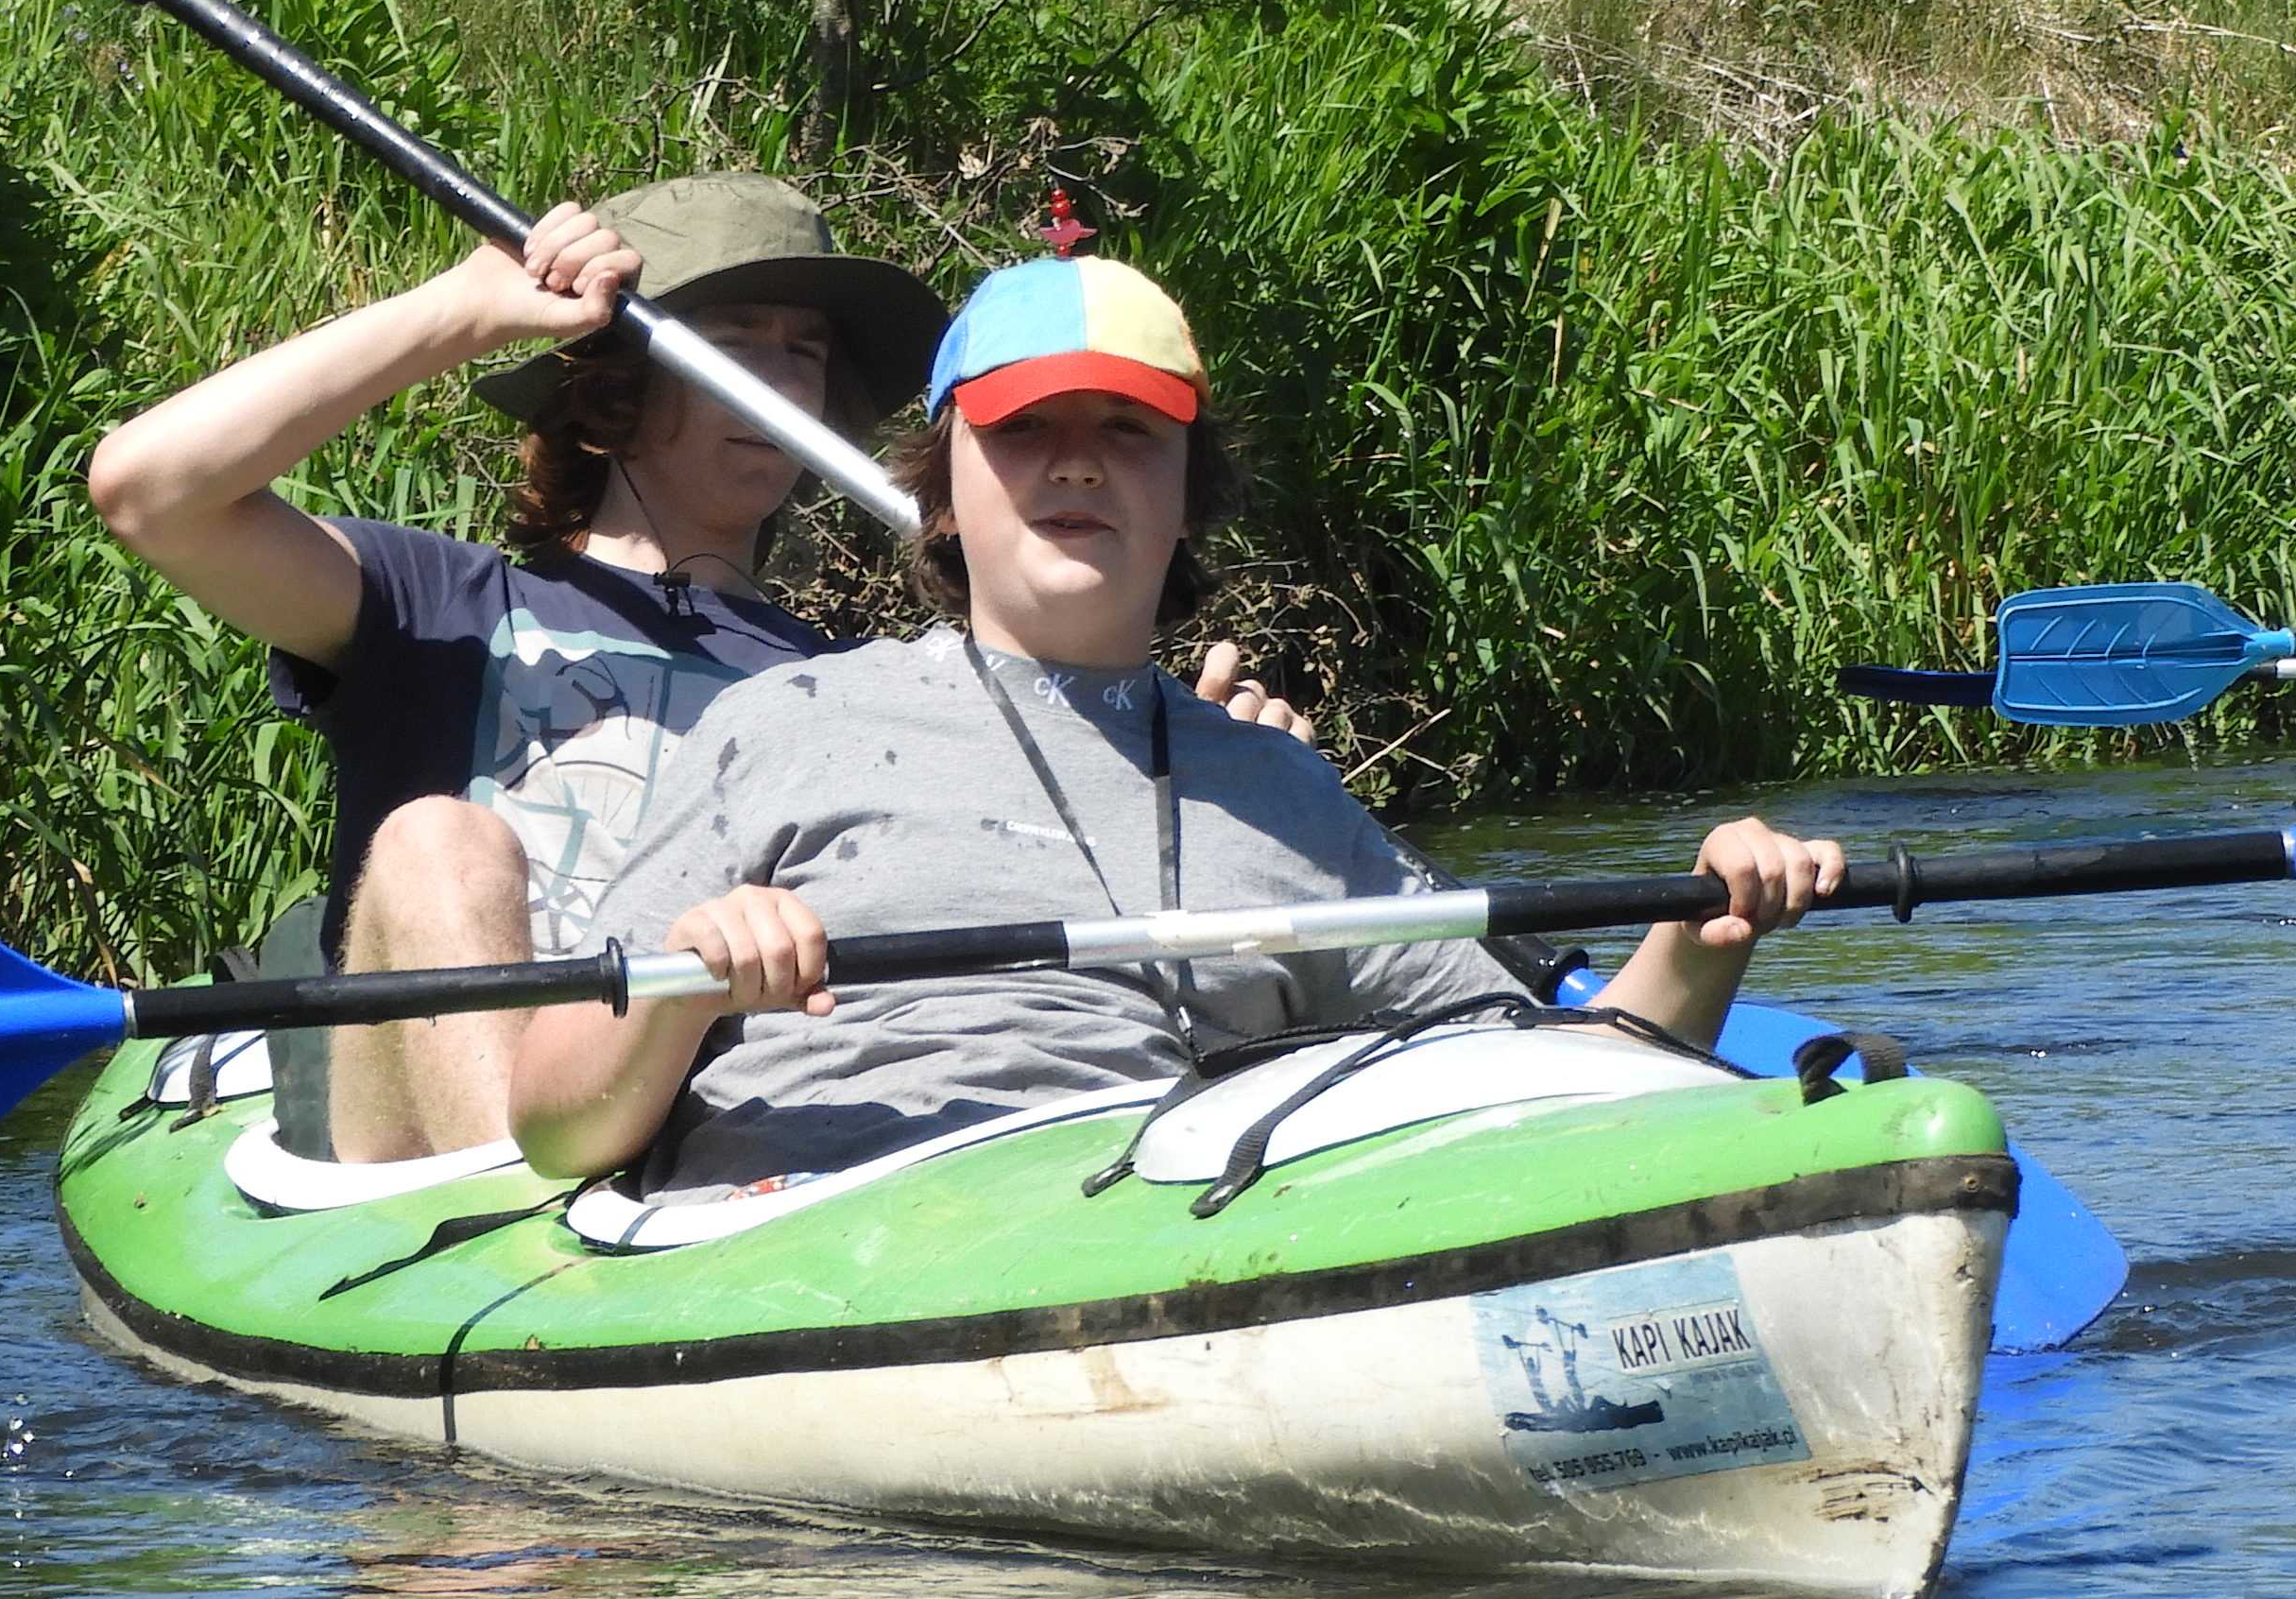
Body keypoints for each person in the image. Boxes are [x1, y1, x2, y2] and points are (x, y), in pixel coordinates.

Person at [507, 255, 1844, 1194]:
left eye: (1131, 433)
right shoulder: (781, 723)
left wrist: (1700, 931)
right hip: (818, 1220)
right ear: (943, 498)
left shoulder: (1281, 791)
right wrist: (686, 980)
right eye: (1029, 430)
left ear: (1190, 496)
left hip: (1156, 1215)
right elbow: (560, 1126)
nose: (1079, 462)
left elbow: (1544, 1086)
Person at [87, 176, 1302, 1159]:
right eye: (737, 344)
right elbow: (150, 493)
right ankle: (516, 1257)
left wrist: (1168, 760)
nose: (782, 384)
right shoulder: (440, 603)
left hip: (699, 1129)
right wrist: (460, 312)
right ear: (616, 385)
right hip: (447, 1132)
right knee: (441, 843)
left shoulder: (854, 695)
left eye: (806, 354)